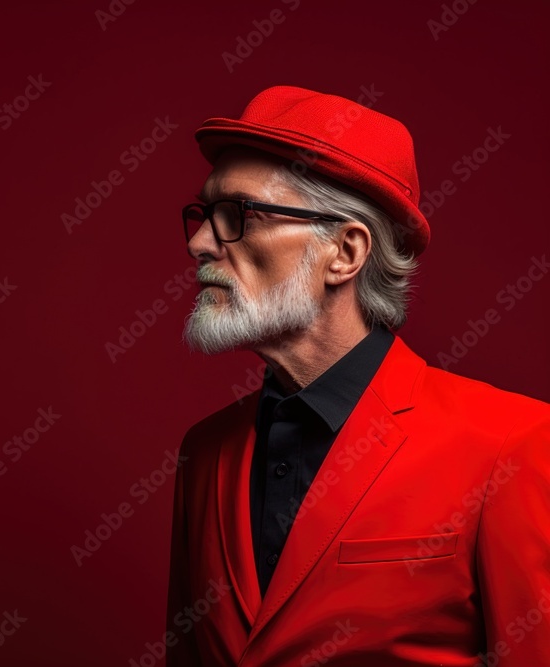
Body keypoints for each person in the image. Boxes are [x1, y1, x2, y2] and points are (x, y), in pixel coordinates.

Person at [165, 85, 550, 666]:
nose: (199, 244)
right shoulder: (205, 451)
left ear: (344, 252)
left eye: (235, 216)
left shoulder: (510, 443)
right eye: (202, 215)